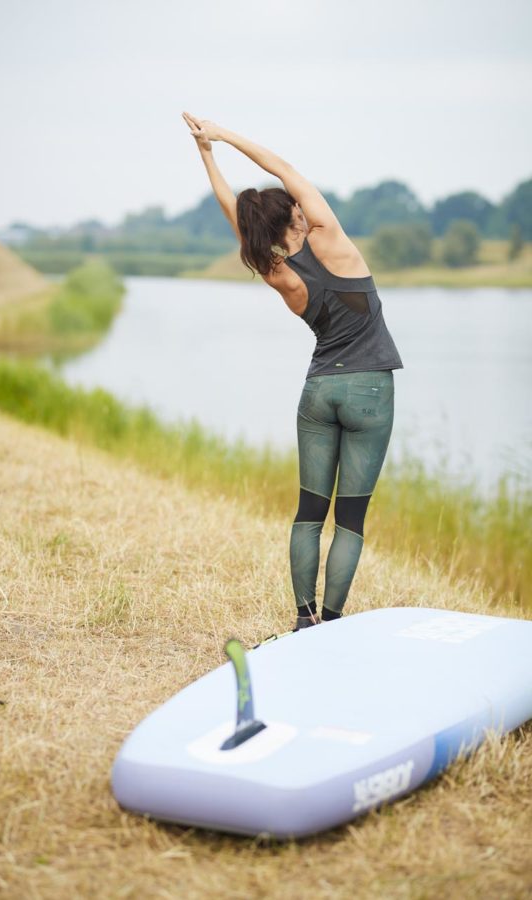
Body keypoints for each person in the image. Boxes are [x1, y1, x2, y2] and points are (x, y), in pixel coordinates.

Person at [181, 112, 403, 631]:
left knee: (309, 512)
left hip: (319, 391)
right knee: (349, 521)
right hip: (370, 388)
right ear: (296, 216)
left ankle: (304, 621)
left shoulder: (276, 272)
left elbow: (232, 211)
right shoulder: (331, 236)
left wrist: (206, 156)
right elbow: (280, 167)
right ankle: (329, 621)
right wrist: (220, 135)